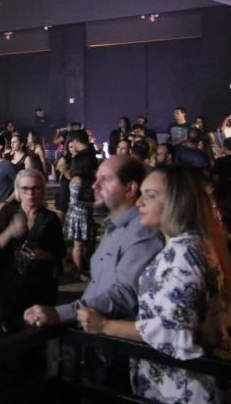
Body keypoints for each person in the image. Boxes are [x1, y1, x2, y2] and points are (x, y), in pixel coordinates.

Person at [77, 166, 231, 403]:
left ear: (178, 202)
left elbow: (174, 329)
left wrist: (105, 326)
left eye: (151, 195)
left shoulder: (184, 254)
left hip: (185, 388)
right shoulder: (189, 246)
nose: (140, 202)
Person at [25, 156, 163, 326]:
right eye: (96, 178)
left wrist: (62, 313)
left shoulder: (142, 234)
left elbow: (123, 296)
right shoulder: (114, 227)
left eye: (105, 179)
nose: (95, 185)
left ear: (130, 189)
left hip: (112, 338)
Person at [0, 169, 64, 330]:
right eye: (25, 189)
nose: (30, 193)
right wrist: (10, 231)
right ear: (18, 190)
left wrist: (44, 255)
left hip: (41, 287)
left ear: (43, 190)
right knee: (12, 332)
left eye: (35, 188)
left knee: (38, 332)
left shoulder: (50, 218)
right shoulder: (7, 213)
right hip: (11, 286)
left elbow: (60, 252)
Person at [62, 150, 97, 278]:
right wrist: (93, 205)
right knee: (78, 245)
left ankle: (84, 267)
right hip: (78, 215)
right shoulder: (77, 179)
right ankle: (79, 272)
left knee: (89, 243)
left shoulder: (86, 179)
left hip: (84, 214)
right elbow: (75, 201)